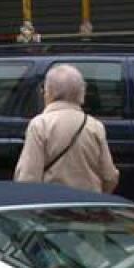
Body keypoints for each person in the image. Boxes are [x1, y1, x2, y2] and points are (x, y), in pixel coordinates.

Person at [14, 63, 119, 194]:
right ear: (81, 92)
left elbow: (28, 177)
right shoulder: (95, 126)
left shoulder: (40, 125)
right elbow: (109, 177)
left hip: (53, 206)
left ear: (49, 92)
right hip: (89, 207)